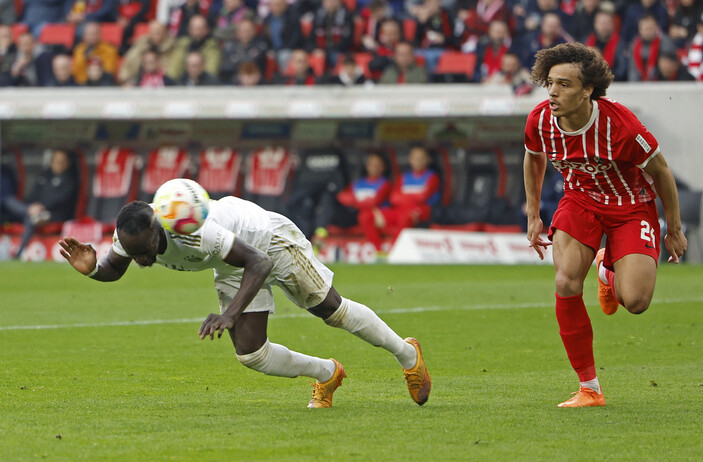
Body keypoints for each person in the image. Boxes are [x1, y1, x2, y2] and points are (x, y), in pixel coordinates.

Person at [58, 183, 431, 409]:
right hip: (234, 263)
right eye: (133, 251)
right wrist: (92, 268)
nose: (140, 259)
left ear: (159, 230)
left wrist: (229, 315)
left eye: (145, 251)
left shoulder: (197, 231)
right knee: (252, 354)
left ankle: (408, 355)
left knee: (331, 311)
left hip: (268, 241)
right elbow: (114, 269)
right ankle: (327, 374)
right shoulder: (130, 233)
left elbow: (259, 263)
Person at [523, 42, 687, 407]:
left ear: (588, 91)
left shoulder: (622, 126)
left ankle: (606, 271)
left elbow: (661, 172)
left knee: (637, 301)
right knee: (565, 281)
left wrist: (673, 228)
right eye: (550, 82)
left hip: (630, 207)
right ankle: (590, 389)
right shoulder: (539, 119)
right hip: (580, 202)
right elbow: (533, 158)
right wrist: (534, 214)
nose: (552, 91)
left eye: (564, 84)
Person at [359, 145, 439, 251]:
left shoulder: (432, 177)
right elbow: (393, 198)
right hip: (399, 210)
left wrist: (404, 197)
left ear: (427, 159)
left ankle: (393, 251)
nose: (418, 160)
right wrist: (413, 197)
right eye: (415, 157)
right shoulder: (403, 177)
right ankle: (379, 251)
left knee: (405, 217)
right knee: (366, 216)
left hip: (421, 211)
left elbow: (422, 197)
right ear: (410, 159)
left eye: (421, 157)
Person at [6, 150, 79, 259]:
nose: (58, 164)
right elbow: (32, 196)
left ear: (67, 163)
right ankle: (14, 249)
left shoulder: (70, 181)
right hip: (36, 211)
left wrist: (42, 207)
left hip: (55, 215)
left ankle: (19, 252)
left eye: (62, 161)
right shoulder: (44, 177)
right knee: (13, 207)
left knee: (32, 218)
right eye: (56, 161)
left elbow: (60, 200)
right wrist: (34, 206)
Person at [119, 20, 177, 86]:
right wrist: (126, 81)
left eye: (157, 32)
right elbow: (129, 65)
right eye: (152, 32)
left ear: (164, 33)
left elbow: (174, 72)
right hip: (138, 83)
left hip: (165, 84)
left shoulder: (172, 48)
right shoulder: (141, 46)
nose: (154, 35)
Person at [167, 14, 221, 82]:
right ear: (190, 30)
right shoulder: (183, 45)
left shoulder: (212, 47)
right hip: (183, 83)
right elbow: (173, 70)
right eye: (195, 29)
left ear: (207, 30)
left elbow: (211, 71)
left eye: (201, 28)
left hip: (204, 84)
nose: (198, 32)